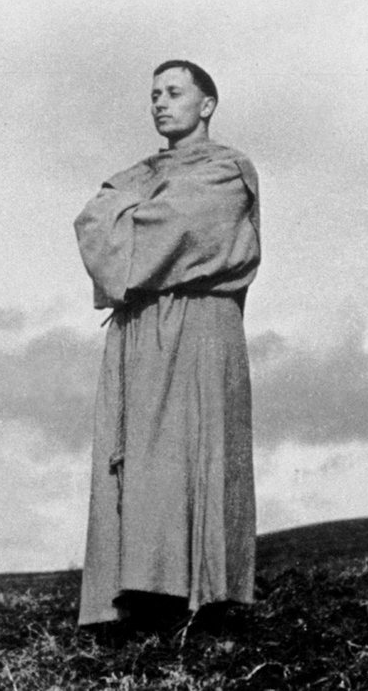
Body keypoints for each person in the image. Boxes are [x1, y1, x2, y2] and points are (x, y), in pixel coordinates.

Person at [73, 60, 261, 628]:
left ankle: (208, 598)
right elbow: (91, 224)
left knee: (197, 448)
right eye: (154, 93)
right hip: (141, 326)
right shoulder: (136, 172)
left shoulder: (227, 170)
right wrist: (138, 221)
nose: (159, 102)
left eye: (174, 92)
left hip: (202, 325)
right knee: (142, 454)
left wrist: (131, 221)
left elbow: (177, 225)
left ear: (206, 105)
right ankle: (143, 596)